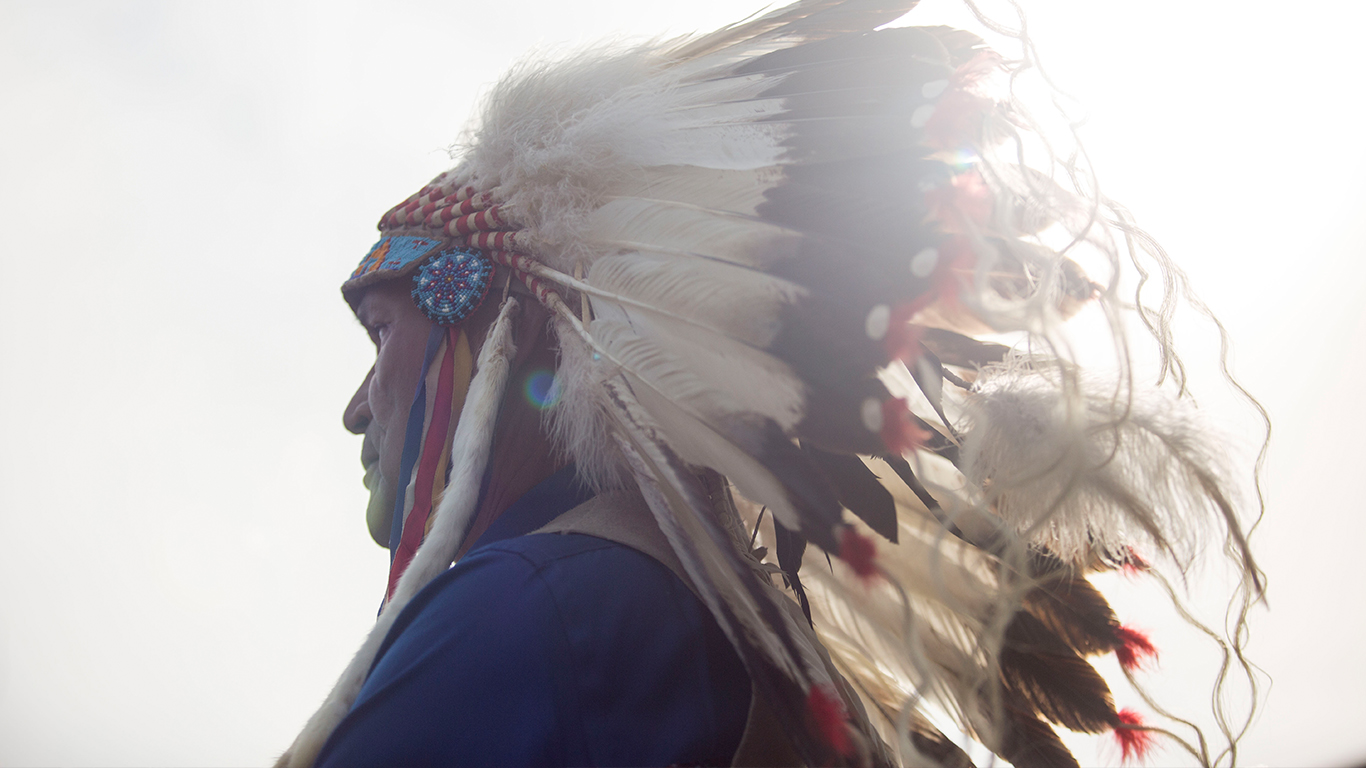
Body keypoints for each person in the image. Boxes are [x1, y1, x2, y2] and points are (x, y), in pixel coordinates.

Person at [276, 1, 1265, 766]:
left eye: (381, 332)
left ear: (504, 321)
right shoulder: (684, 619)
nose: (356, 407)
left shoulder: (536, 608)